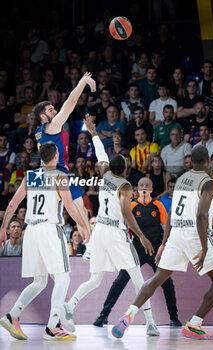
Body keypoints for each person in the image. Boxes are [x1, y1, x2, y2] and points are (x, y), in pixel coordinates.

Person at [112, 145, 213, 340]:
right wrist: (205, 247)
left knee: (157, 278)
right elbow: (200, 216)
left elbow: (172, 212)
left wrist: (164, 243)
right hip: (195, 234)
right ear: (207, 161)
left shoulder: (181, 179)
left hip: (175, 234)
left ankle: (128, 313)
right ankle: (195, 324)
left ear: (191, 162)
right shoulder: (209, 182)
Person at [60, 115, 159, 337]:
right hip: (115, 232)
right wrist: (141, 236)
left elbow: (100, 153)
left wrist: (94, 132)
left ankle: (70, 305)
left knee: (94, 279)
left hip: (100, 232)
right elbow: (126, 212)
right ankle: (151, 322)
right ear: (124, 169)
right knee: (138, 280)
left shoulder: (105, 175)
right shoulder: (124, 185)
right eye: (126, 162)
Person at [0, 142, 89, 340]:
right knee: (63, 277)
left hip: (30, 230)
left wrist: (3, 228)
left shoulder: (31, 176)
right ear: (56, 156)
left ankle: (13, 315)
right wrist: (83, 225)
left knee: (39, 281)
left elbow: (13, 203)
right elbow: (70, 206)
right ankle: (52, 327)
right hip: (49, 229)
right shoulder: (60, 176)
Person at [93, 177, 181, 328]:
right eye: (141, 186)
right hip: (136, 248)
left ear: (152, 189)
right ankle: (103, 315)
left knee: (167, 282)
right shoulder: (132, 205)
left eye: (147, 185)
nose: (144, 188)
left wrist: (166, 245)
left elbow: (167, 225)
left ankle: (174, 318)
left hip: (155, 247)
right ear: (137, 190)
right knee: (120, 280)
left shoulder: (158, 205)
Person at [34, 72, 95, 240]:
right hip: (58, 173)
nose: (55, 110)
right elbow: (71, 102)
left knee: (74, 205)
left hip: (45, 175)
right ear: (43, 117)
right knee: (76, 205)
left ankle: (84, 239)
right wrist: (82, 82)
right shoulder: (51, 127)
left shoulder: (38, 132)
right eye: (51, 109)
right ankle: (87, 240)